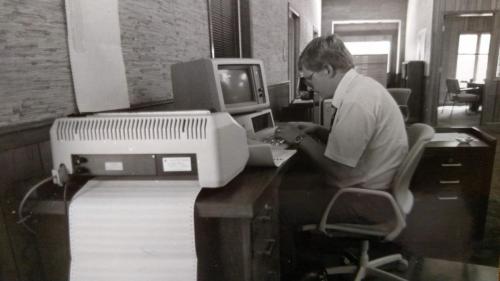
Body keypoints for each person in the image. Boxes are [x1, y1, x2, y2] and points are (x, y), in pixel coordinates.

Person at [276, 34, 408, 278]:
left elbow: (339, 171)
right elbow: (356, 142)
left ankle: (294, 272)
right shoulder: (363, 88)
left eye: (309, 78)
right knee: (292, 185)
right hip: (374, 188)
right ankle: (310, 257)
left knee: (276, 205)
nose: (308, 86)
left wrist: (299, 138)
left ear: (327, 69)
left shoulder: (357, 101)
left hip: (365, 199)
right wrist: (318, 131)